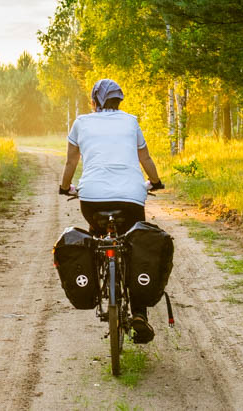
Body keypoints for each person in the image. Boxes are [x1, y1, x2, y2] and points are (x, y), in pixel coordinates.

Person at [59, 78, 164, 343]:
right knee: (134, 243)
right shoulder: (131, 121)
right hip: (130, 198)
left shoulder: (81, 122)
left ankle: (99, 281)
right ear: (119, 100)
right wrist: (156, 181)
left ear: (95, 101)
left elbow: (71, 161)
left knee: (96, 237)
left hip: (92, 198)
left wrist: (65, 187)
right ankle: (139, 314)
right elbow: (145, 159)